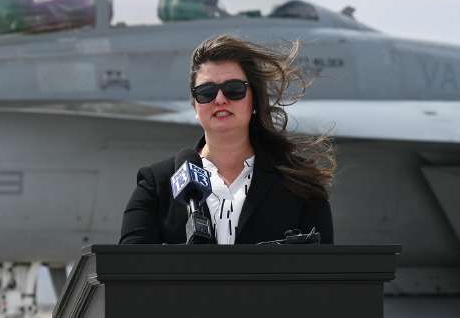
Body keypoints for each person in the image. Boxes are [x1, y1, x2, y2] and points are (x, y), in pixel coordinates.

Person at [119, 34, 335, 245]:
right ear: (195, 105)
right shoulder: (156, 185)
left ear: (254, 100)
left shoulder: (300, 186)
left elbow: (323, 275)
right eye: (206, 92)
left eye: (234, 89)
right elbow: (127, 269)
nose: (220, 100)